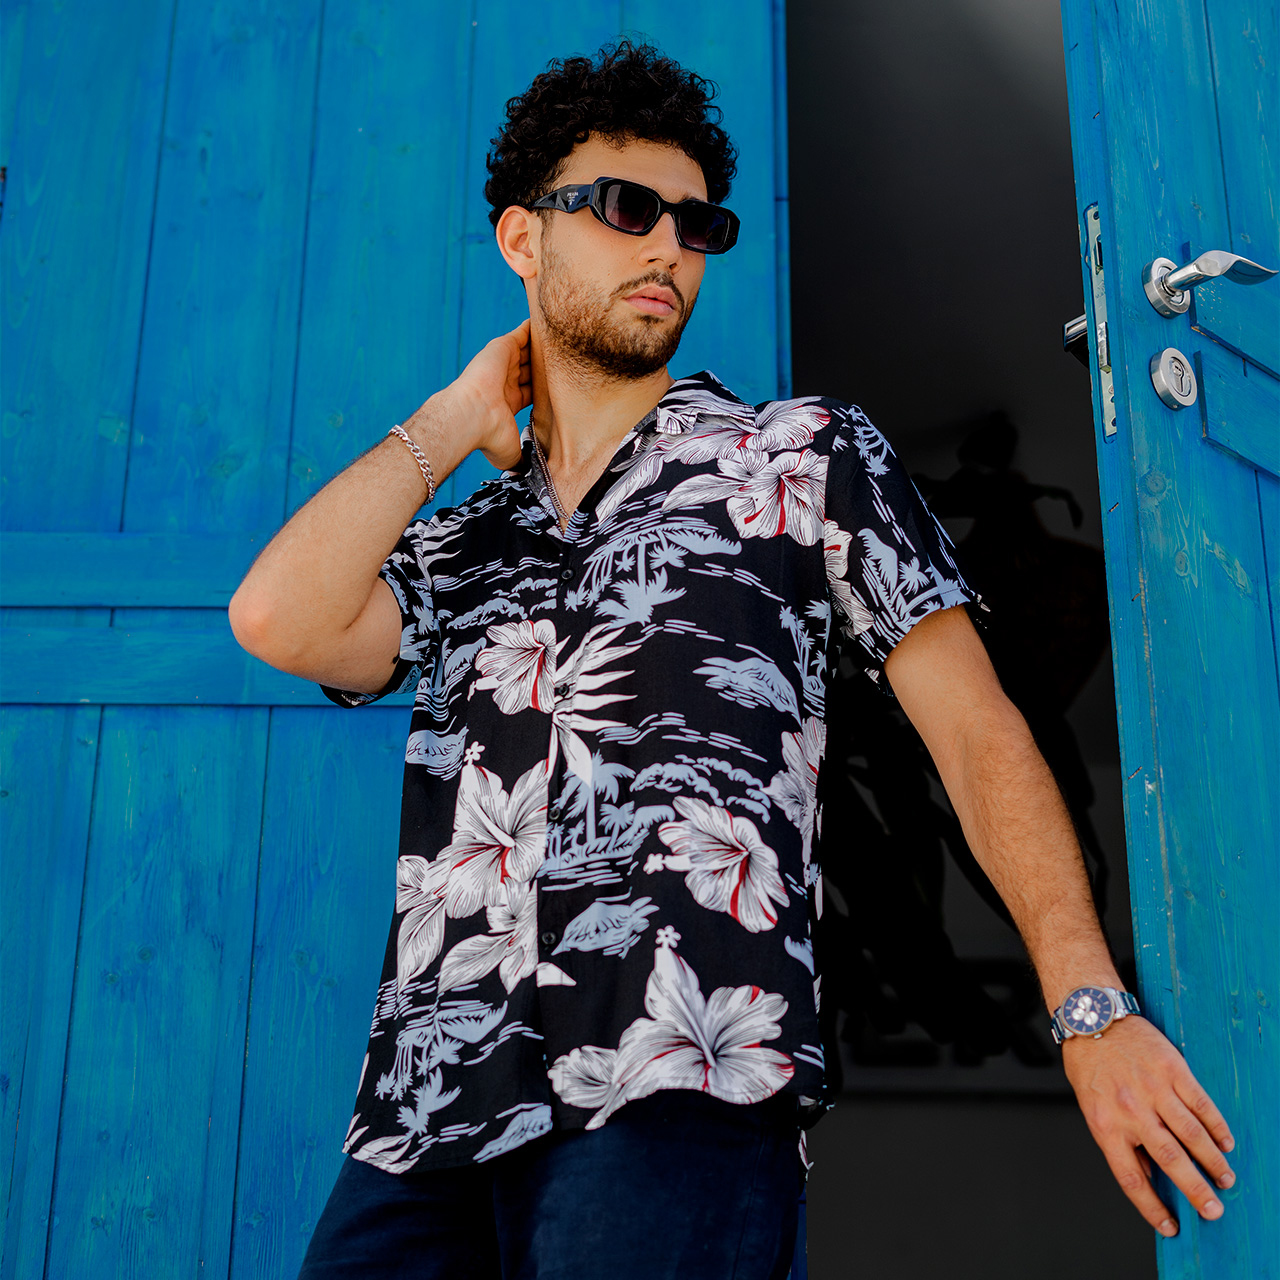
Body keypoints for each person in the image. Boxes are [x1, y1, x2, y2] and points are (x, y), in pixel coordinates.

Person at [229, 39, 1235, 1280]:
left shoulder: (800, 457)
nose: (667, 245)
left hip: (676, 1084)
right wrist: (450, 420)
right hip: (422, 1122)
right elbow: (276, 618)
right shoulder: (465, 542)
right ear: (521, 238)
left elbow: (976, 732)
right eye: (624, 207)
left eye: (696, 223)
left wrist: (1089, 1006)